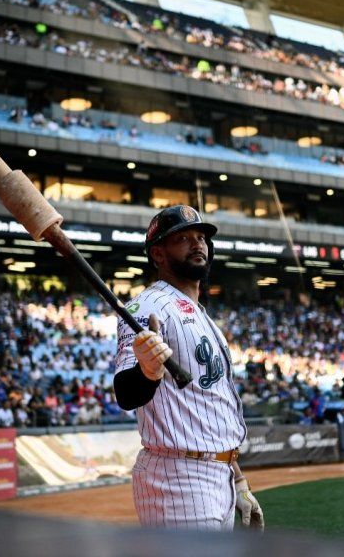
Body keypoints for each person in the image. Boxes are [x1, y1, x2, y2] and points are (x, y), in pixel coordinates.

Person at [114, 205, 264, 531]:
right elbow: (127, 393)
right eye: (183, 238)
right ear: (158, 253)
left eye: (201, 237)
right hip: (178, 478)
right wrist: (148, 370)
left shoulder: (200, 313)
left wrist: (238, 481)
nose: (197, 244)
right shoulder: (148, 307)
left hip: (219, 474)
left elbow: (210, 407)